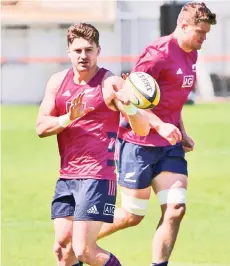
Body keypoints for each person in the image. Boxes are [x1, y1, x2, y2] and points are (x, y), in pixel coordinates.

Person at [98, 2, 217, 266]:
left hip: (169, 147)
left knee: (176, 209)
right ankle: (79, 242)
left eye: (206, 33)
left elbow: (173, 100)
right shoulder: (157, 54)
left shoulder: (192, 53)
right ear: (183, 25)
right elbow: (131, 97)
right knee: (132, 215)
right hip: (137, 144)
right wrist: (160, 125)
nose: (204, 38)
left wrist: (181, 131)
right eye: (200, 32)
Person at [36, 23, 150, 266]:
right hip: (67, 177)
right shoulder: (57, 82)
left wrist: (130, 107)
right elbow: (41, 128)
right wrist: (69, 117)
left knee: (84, 251)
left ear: (99, 50)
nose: (83, 56)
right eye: (77, 50)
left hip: (97, 176)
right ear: (68, 51)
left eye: (89, 50)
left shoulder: (110, 84)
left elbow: (142, 129)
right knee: (63, 250)